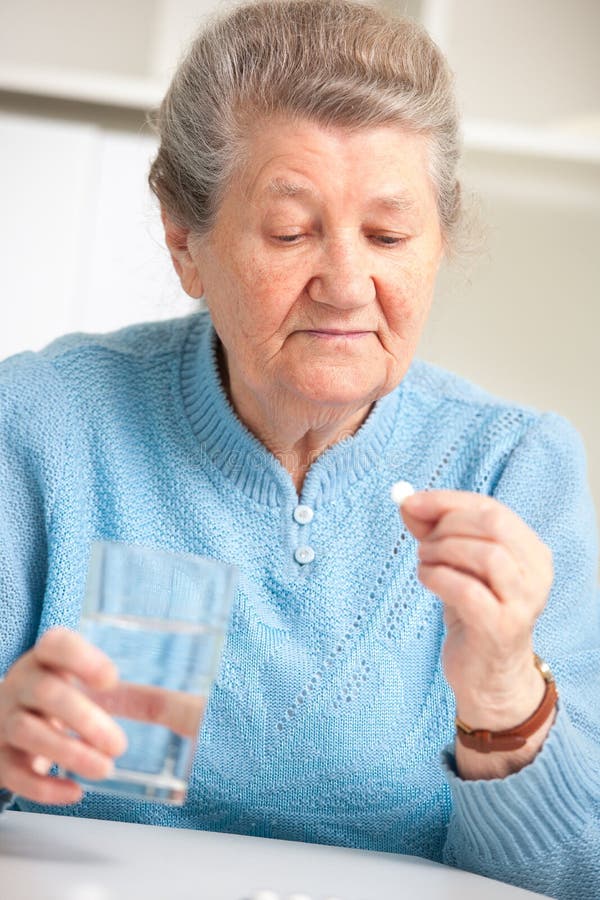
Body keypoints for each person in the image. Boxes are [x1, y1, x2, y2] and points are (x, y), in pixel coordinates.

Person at [0, 0, 599, 896]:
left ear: (438, 246)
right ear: (184, 244)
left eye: (390, 235)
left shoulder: (514, 468)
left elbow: (575, 874)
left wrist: (507, 702)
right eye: (291, 232)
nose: (348, 284)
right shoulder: (44, 424)